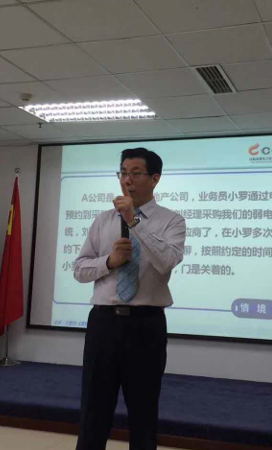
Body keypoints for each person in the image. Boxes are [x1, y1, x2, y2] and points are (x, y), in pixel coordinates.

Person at [73, 147, 186, 450]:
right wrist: (109, 262)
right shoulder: (102, 220)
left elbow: (167, 261)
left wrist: (134, 220)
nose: (127, 180)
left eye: (136, 173)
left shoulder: (172, 221)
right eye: (123, 173)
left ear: (155, 178)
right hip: (104, 323)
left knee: (144, 410)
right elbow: (80, 270)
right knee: (94, 408)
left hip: (145, 325)